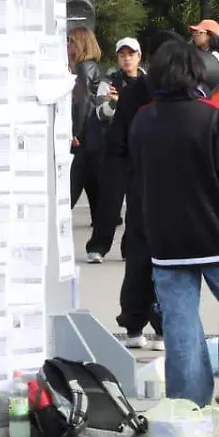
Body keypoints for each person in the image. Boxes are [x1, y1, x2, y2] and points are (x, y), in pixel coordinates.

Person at [129, 40, 219, 408]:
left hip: (166, 238)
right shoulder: (210, 118)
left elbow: (136, 173)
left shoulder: (142, 121)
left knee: (180, 329)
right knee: (182, 328)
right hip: (213, 232)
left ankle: (188, 406)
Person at [107, 31, 178, 352]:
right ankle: (162, 326)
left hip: (140, 185)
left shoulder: (134, 92)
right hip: (175, 187)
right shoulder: (184, 93)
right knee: (169, 259)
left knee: (138, 255)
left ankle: (133, 324)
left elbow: (117, 143)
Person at [87, 38, 144, 263]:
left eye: (131, 54)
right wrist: (114, 103)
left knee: (137, 204)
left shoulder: (148, 82)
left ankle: (130, 248)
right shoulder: (109, 82)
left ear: (139, 56)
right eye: (122, 54)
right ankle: (98, 246)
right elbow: (101, 113)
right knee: (109, 202)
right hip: (114, 150)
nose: (127, 58)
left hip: (140, 150)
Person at [67, 27, 105, 234]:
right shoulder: (87, 67)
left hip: (84, 134)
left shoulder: (84, 68)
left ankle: (61, 213)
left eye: (71, 42)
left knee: (74, 180)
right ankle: (102, 218)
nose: (67, 45)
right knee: (92, 180)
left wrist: (75, 132)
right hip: (91, 134)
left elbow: (82, 104)